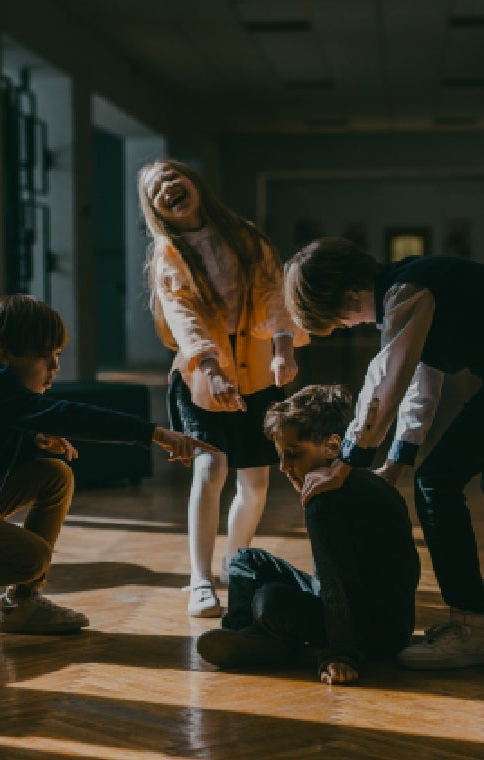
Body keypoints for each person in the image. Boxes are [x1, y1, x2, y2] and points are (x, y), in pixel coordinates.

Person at [283, 238, 484, 670]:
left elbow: (386, 382)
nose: (352, 327)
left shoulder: (405, 293)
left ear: (349, 296)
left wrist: (347, 462)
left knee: (437, 483)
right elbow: (421, 383)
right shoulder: (410, 288)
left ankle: (473, 626)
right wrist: (395, 462)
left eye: (343, 322)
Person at [0, 294, 217, 645]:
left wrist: (32, 443)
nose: (55, 368)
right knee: (32, 557)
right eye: (45, 357)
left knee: (54, 475)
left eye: (57, 355)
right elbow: (69, 415)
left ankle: (22, 605)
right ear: (4, 354)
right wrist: (153, 433)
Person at [139, 158, 306, 618]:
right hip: (200, 375)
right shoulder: (168, 256)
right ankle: (199, 577)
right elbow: (184, 320)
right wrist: (210, 369)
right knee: (210, 469)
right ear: (156, 210)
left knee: (254, 482)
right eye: (156, 189)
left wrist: (283, 348)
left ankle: (238, 567)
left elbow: (275, 294)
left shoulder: (246, 236)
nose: (168, 187)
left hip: (256, 374)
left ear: (194, 183)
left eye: (173, 177)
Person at [195, 384, 419, 685]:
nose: (284, 467)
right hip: (384, 618)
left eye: (293, 454)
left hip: (371, 630)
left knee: (268, 601)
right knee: (245, 559)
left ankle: (263, 642)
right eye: (281, 456)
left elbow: (335, 581)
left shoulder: (323, 501)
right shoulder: (371, 481)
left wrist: (340, 654)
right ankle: (245, 636)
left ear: (332, 446)